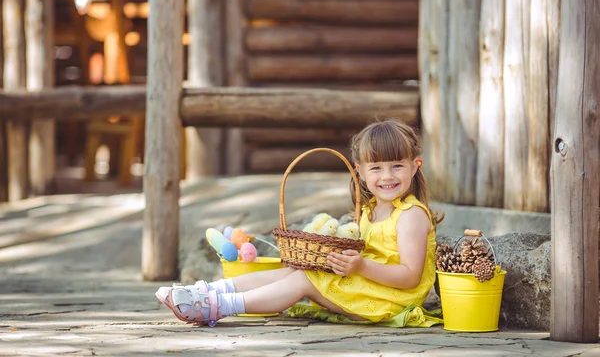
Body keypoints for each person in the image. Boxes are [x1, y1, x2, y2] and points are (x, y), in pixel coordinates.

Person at [155, 118, 444, 327]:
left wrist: (361, 266)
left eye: (397, 166)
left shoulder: (411, 215)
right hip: (369, 287)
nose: (387, 176)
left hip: (390, 301)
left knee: (304, 279)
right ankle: (212, 290)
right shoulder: (370, 211)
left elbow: (410, 277)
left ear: (414, 165)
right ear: (360, 171)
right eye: (376, 168)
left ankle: (219, 307)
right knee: (296, 269)